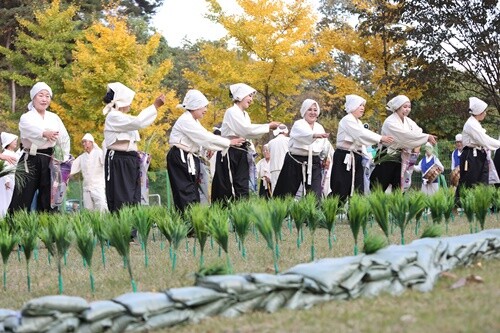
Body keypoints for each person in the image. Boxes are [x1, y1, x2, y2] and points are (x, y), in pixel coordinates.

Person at [167, 89, 244, 212]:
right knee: (185, 191)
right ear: (195, 106)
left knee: (191, 191)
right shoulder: (186, 120)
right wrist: (228, 142)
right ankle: (188, 224)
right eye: (204, 106)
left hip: (188, 157)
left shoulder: (193, 121)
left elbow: (201, 139)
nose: (206, 110)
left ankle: (193, 223)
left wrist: (208, 148)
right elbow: (205, 136)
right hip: (180, 157)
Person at [211, 83, 280, 203]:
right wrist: (268, 126)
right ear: (240, 96)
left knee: (242, 187)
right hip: (230, 153)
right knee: (228, 187)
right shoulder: (231, 112)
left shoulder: (245, 115)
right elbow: (245, 130)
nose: (251, 100)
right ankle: (227, 216)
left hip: (242, 152)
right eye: (249, 96)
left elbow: (248, 133)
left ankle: (242, 215)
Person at [9, 82, 71, 213]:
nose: (44, 99)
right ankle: (13, 229)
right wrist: (43, 133)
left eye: (47, 96)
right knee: (22, 197)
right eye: (41, 95)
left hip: (49, 160)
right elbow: (29, 129)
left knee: (48, 200)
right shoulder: (26, 117)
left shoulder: (54, 117)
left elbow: (64, 139)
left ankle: (47, 230)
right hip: (29, 160)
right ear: (33, 97)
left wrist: (63, 159)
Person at [103, 82, 165, 212]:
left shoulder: (122, 117)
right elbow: (139, 122)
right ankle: (124, 230)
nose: (130, 104)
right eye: (129, 101)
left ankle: (132, 231)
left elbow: (135, 125)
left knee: (134, 197)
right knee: (123, 198)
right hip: (120, 160)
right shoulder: (113, 116)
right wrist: (155, 106)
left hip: (129, 160)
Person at [330, 95, 394, 202]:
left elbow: (363, 139)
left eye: (363, 105)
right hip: (344, 157)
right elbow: (360, 134)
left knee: (358, 189)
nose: (362, 108)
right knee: (341, 188)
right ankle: (331, 211)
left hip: (356, 157)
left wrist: (370, 156)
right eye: (360, 105)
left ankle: (355, 214)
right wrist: (380, 138)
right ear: (352, 106)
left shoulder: (358, 122)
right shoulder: (347, 120)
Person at [370, 95, 437, 192]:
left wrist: (425, 137)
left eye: (409, 107)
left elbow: (417, 131)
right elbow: (404, 136)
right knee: (380, 184)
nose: (407, 109)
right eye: (404, 107)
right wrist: (426, 137)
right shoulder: (390, 122)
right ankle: (374, 205)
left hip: (401, 156)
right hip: (387, 155)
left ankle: (395, 206)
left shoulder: (408, 121)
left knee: (397, 186)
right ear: (397, 107)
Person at [273, 99, 330, 199]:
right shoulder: (298, 124)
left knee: (315, 195)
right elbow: (303, 135)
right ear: (304, 111)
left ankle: (312, 214)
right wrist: (314, 135)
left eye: (315, 110)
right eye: (309, 110)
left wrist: (326, 157)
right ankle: (281, 213)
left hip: (314, 162)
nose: (312, 112)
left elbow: (325, 145)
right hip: (295, 161)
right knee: (285, 194)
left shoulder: (319, 127)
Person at [457, 97, 500, 195]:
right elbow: (484, 140)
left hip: (479, 154)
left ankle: (480, 204)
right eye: (484, 111)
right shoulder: (471, 124)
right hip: (471, 155)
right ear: (479, 112)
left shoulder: (475, 123)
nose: (485, 113)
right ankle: (462, 205)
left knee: (482, 181)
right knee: (470, 181)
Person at [70, 133, 107, 211]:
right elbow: (72, 167)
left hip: (98, 187)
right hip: (86, 188)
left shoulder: (99, 153)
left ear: (91, 142)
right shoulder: (82, 157)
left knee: (101, 206)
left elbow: (105, 162)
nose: (83, 144)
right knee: (88, 210)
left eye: (85, 142)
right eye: (82, 142)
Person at [0, 132, 19, 217]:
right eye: (13, 140)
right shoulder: (5, 154)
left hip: (13, 179)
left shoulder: (14, 154)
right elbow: (4, 168)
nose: (16, 142)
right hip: (7, 181)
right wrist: (7, 181)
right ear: (8, 142)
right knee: (5, 199)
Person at [267, 124, 289, 194]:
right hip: (287, 168)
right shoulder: (289, 140)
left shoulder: (271, 142)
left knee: (275, 190)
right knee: (287, 190)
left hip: (275, 168)